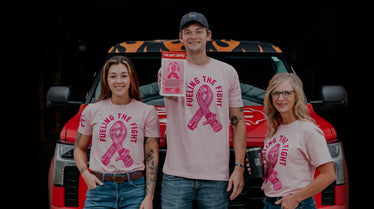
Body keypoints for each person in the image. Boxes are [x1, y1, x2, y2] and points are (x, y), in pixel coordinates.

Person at [159, 12, 247, 209]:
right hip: (176, 174)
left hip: (216, 176)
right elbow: (171, 96)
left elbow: (238, 122)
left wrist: (239, 167)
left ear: (208, 35)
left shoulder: (227, 72)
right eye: (187, 32)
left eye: (199, 31)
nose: (193, 36)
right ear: (180, 38)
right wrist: (169, 75)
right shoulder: (171, 67)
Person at [74, 55, 161, 209]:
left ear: (131, 79)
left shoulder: (147, 111)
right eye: (113, 76)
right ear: (106, 80)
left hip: (134, 190)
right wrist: (85, 174)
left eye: (123, 76)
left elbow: (151, 157)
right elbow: (78, 148)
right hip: (99, 190)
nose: (118, 81)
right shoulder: (92, 111)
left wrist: (149, 197)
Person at [247, 73, 336, 209]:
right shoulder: (273, 132)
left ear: (297, 96)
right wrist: (265, 170)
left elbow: (329, 175)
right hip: (270, 203)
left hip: (297, 204)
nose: (280, 98)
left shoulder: (308, 130)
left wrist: (296, 198)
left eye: (287, 93)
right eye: (275, 93)